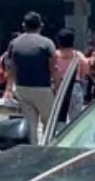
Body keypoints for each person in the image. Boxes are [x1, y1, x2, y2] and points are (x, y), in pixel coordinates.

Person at [5, 12, 57, 143]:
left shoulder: (14, 43)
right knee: (49, 121)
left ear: (24, 25)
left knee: (30, 124)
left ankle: (32, 148)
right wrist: (57, 85)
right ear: (41, 26)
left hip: (22, 88)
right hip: (42, 88)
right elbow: (53, 68)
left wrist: (9, 88)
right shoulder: (47, 43)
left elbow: (11, 67)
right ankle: (47, 146)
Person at [53, 27, 90, 120]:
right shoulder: (77, 55)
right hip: (75, 86)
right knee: (75, 119)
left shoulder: (55, 55)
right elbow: (86, 69)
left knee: (59, 118)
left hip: (59, 87)